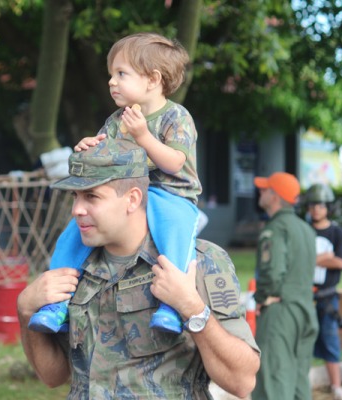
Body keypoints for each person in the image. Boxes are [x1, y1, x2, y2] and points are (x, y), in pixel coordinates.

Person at [18, 139, 260, 399]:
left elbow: (241, 381)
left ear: (132, 199)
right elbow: (53, 376)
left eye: (91, 196)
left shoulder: (197, 262)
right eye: (75, 196)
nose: (77, 210)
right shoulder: (74, 267)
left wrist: (192, 309)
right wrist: (25, 310)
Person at [29, 32, 202, 334]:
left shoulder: (176, 117)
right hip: (127, 194)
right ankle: (56, 304)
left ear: (153, 79)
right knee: (71, 236)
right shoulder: (116, 120)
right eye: (111, 74)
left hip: (171, 193)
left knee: (175, 234)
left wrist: (143, 137)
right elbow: (103, 154)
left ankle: (172, 307)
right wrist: (88, 146)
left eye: (121, 74)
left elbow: (175, 162)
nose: (111, 82)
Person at [252, 172, 319, 400]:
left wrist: (261, 298)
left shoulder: (276, 229)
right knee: (299, 384)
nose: (260, 192)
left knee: (274, 383)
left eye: (265, 188)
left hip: (281, 313)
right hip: (305, 311)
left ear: (275, 196)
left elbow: (272, 273)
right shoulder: (306, 229)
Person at [305, 183, 342, 400]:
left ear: (328, 208)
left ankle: (336, 386)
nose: (316, 209)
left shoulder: (337, 232)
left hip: (327, 297)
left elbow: (341, 262)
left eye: (321, 205)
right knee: (303, 339)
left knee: (330, 339)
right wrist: (326, 257)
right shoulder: (304, 230)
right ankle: (302, 384)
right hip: (305, 295)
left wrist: (315, 260)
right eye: (313, 205)